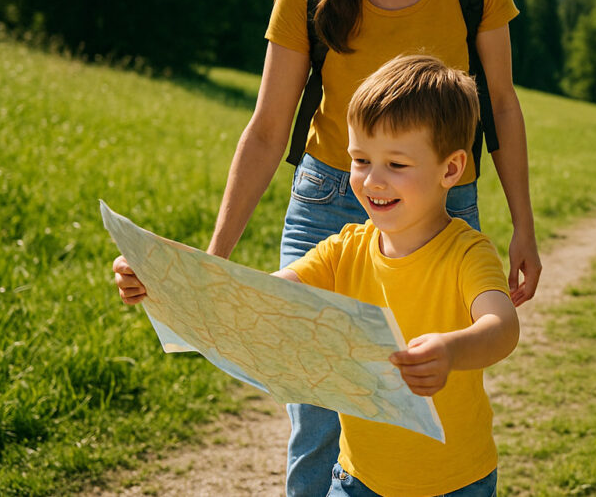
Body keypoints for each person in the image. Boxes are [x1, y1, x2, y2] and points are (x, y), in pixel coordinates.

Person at [114, 0, 541, 496]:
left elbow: (501, 106)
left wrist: (524, 225)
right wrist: (209, 268)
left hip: (439, 204)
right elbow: (266, 128)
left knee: (420, 392)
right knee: (314, 415)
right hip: (330, 201)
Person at [116, 55, 520, 497]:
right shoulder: (344, 249)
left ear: (451, 169)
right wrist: (163, 274)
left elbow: (502, 328)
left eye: (396, 165)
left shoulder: (466, 253)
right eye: (360, 159)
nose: (372, 181)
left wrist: (451, 350)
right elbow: (259, 296)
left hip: (455, 483)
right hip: (356, 479)